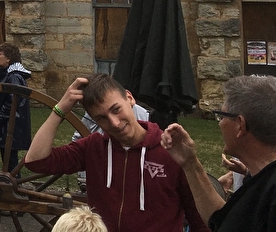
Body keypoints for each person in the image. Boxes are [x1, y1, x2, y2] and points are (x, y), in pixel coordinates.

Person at [24, 74, 208, 232]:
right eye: (101, 118)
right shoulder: (94, 147)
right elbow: (35, 161)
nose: (114, 123)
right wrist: (60, 109)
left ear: (129, 98)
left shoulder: (170, 150)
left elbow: (198, 218)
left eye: (116, 110)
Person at [160, 75, 276, 231]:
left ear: (240, 125)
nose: (220, 124)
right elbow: (224, 222)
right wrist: (190, 163)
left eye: (222, 116)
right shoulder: (262, 176)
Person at [0, 43, 31, 170]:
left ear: (8, 58)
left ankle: (13, 184)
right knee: (8, 159)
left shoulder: (14, 76)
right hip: (7, 125)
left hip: (10, 126)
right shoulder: (7, 74)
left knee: (9, 160)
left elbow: (13, 102)